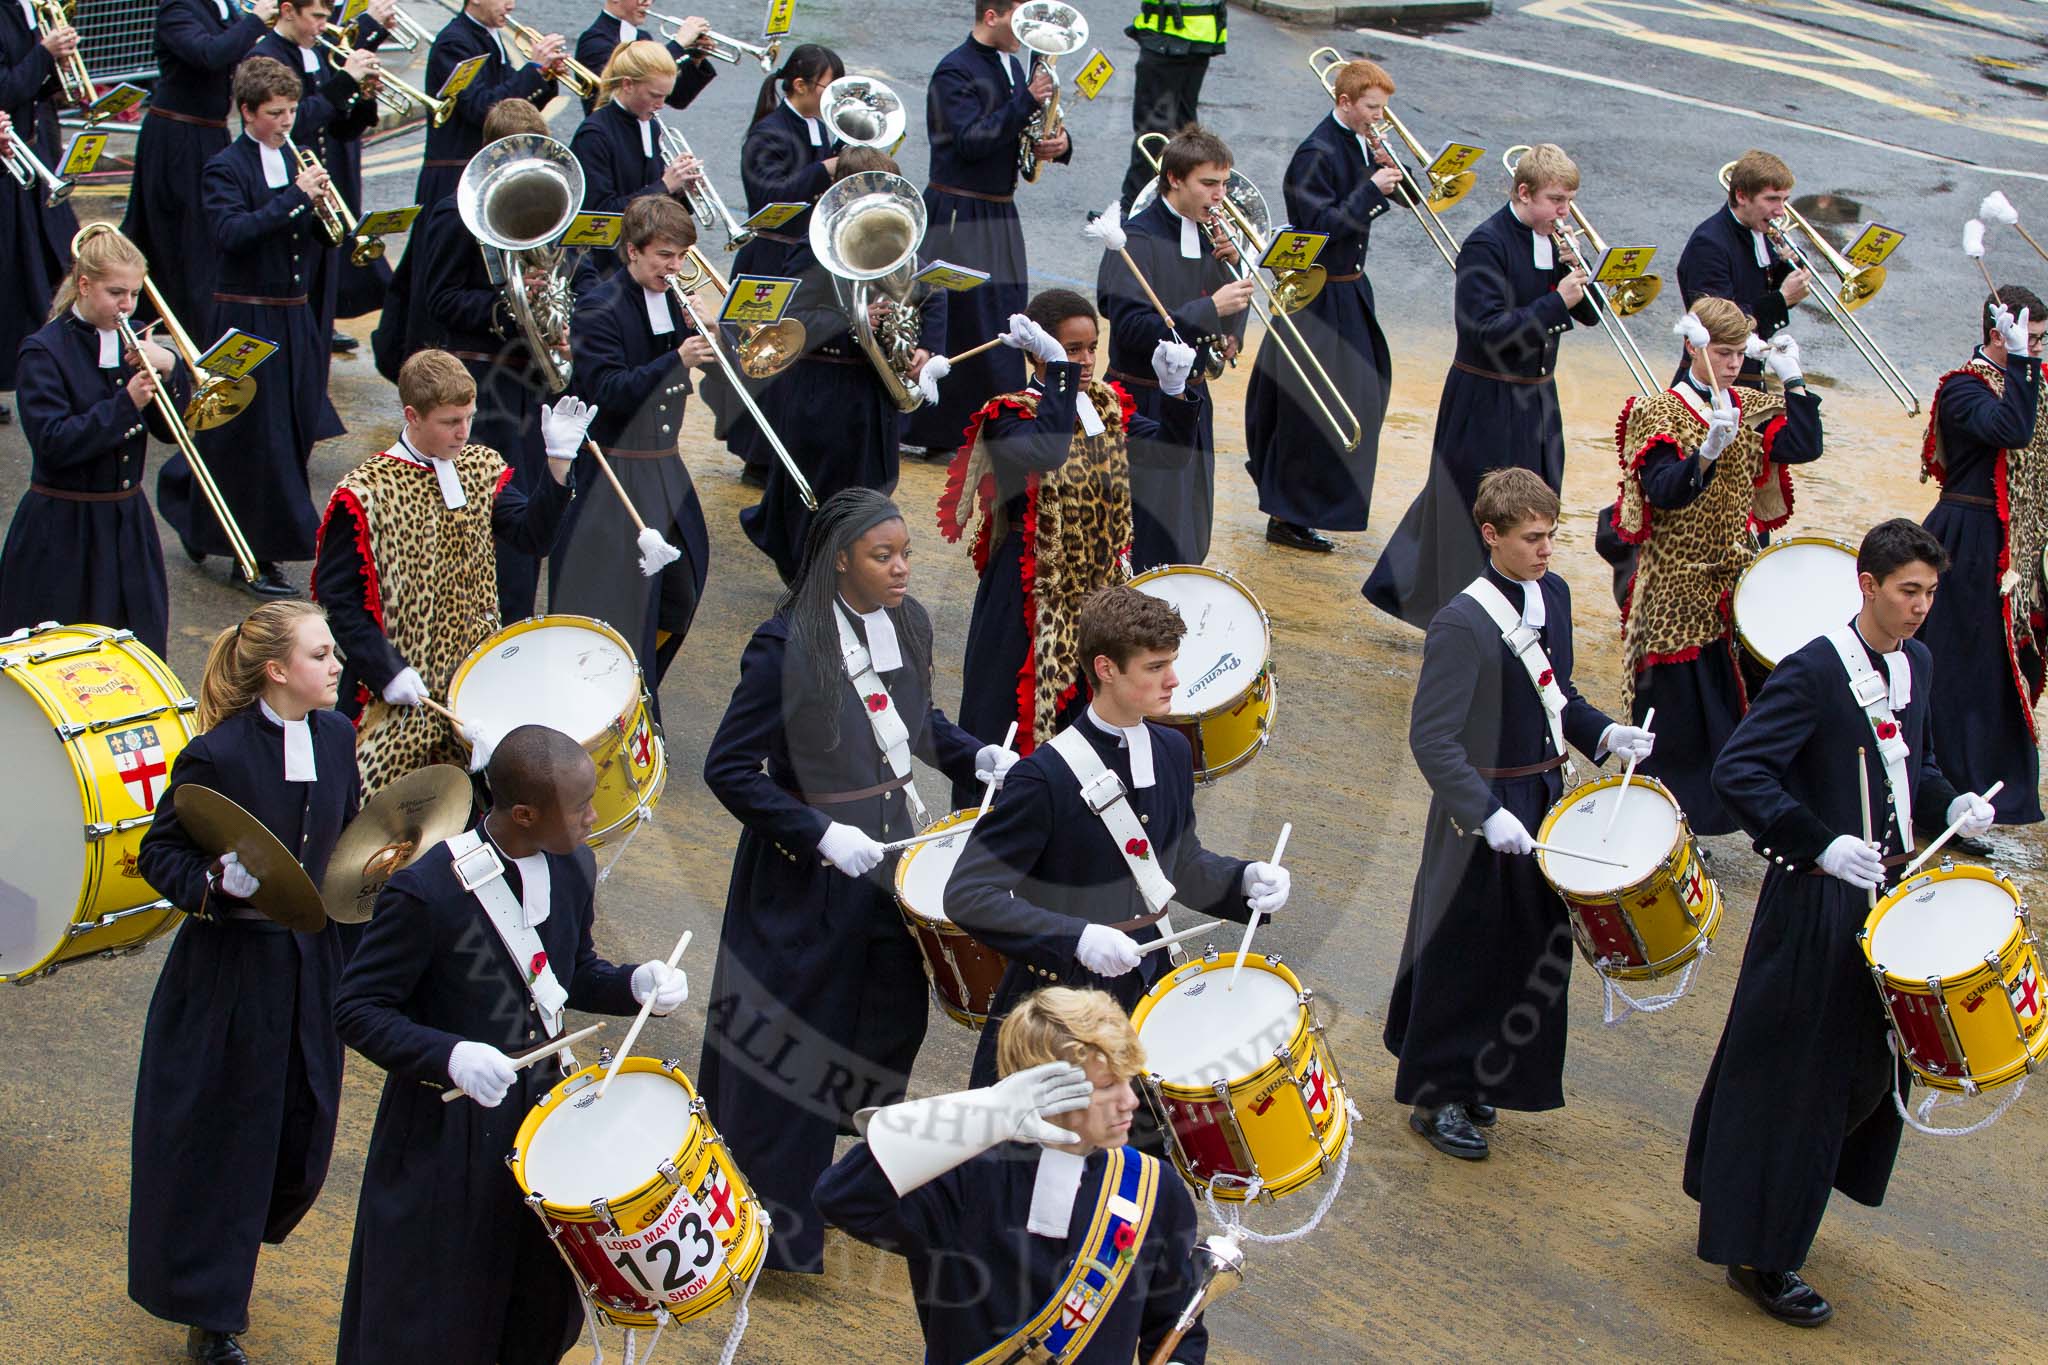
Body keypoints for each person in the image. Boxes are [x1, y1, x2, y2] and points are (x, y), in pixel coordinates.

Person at [1684, 519, 1994, 1327]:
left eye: (1930, 592)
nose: (1922, 608)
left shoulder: (1917, 662)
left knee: (1862, 1071)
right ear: (1868, 585)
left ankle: (1776, 1200)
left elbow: (1909, 762)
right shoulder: (1815, 671)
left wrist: (1947, 798)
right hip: (1815, 903)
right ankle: (1762, 1253)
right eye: (1908, 592)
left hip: (1884, 900)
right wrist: (1822, 842)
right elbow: (1739, 770)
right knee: (1798, 1081)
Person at [698, 488, 1004, 1275]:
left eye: (905, 552)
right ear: (841, 560)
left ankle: (840, 1189)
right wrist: (820, 832)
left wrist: (973, 755)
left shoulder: (909, 622)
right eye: (883, 556)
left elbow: (913, 719)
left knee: (881, 1026)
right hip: (805, 876)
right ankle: (772, 1235)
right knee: (795, 1048)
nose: (902, 567)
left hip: (892, 858)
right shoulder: (782, 645)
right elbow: (728, 767)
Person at [334, 723, 690, 1364]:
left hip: (545, 1121)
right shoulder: (426, 893)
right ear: (524, 813)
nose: (592, 815)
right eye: (580, 806)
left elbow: (569, 971)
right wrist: (450, 1054)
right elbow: (358, 1009)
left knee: (533, 1306)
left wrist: (634, 983)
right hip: (447, 1134)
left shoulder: (574, 864)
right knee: (434, 1314)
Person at [1385, 468, 1652, 1160]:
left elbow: (1555, 691)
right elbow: (1432, 738)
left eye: (1551, 535)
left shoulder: (1553, 594)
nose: (1546, 549)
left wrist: (1601, 735)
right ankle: (1435, 1092)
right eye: (1532, 537)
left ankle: (1481, 1073)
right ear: (1491, 535)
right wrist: (1484, 812)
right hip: (1478, 812)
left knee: (1524, 946)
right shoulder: (1460, 622)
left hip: (1539, 802)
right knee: (1462, 951)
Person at [126, 601, 360, 1365]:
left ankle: (232, 1251)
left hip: (312, 965)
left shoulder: (337, 734)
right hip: (232, 973)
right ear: (277, 670)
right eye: (322, 656)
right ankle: (214, 1313)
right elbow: (161, 852)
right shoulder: (218, 756)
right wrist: (211, 885)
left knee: (302, 1133)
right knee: (232, 1140)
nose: (337, 666)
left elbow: (346, 839)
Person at [946, 584, 1285, 1086]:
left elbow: (1177, 862)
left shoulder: (1172, 752)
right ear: (1106, 669)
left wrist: (1242, 880)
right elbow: (969, 895)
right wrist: (1075, 938)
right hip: (1058, 1007)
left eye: (1172, 662)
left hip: (1148, 991)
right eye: (1154, 667)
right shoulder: (1044, 779)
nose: (1173, 680)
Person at [815, 987, 1215, 1363]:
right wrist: (986, 1111)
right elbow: (843, 1197)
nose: (1130, 1101)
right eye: (1108, 1085)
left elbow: (1175, 1322)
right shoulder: (961, 1172)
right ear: (1044, 1089)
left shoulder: (1154, 1186)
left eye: (1130, 1080)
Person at [937, 289, 1199, 801]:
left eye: (1090, 349)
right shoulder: (1007, 413)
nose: (1084, 361)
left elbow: (1170, 457)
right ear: (1038, 351)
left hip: (1097, 592)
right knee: (1007, 718)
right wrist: (1056, 372)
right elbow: (1048, 451)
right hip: (1027, 595)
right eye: (1071, 349)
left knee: (1091, 715)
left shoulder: (1105, 404)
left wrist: (1175, 391)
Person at [311, 348, 589, 795]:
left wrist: (557, 465)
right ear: (412, 416)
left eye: (469, 418)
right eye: (449, 422)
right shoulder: (363, 493)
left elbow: (531, 538)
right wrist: (387, 671)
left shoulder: (480, 466)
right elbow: (338, 602)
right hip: (400, 697)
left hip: (474, 689)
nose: (463, 433)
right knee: (375, 828)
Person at [1363, 142, 1600, 629]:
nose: (1564, 212)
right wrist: (1557, 302)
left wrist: (1588, 287)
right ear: (1524, 192)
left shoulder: (1552, 240)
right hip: (1485, 396)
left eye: (1569, 201)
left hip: (1536, 394)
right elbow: (1482, 329)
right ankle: (1458, 616)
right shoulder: (1486, 243)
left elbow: (1585, 316)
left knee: (1537, 499)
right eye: (1556, 200)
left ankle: (1514, 605)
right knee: (1471, 508)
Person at [1610, 299, 1823, 833]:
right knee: (1674, 720)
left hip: (1731, 580)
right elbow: (1661, 492)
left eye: (1736, 354)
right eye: (1722, 354)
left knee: (1732, 702)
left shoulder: (1748, 404)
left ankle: (1723, 811)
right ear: (1693, 347)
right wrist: (1703, 454)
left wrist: (1793, 382)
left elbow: (1804, 444)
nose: (1732, 364)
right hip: (1673, 586)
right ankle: (1651, 822)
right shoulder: (1658, 411)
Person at [159, 56, 345, 599]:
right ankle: (254, 555)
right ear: (247, 112)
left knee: (289, 428)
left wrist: (323, 214)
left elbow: (304, 237)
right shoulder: (225, 167)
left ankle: (195, 509)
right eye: (275, 113)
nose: (287, 122)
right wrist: (295, 199)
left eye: (290, 111)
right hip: (244, 314)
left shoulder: (295, 159)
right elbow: (232, 233)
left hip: (293, 313)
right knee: (250, 438)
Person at [740, 147, 944, 582]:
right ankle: (806, 579)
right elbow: (788, 318)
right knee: (812, 494)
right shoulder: (811, 249)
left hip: (872, 392)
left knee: (871, 489)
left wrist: (926, 348)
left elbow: (932, 290)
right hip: (821, 386)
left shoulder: (896, 242)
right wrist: (849, 320)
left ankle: (847, 578)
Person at [551, 194, 713, 711]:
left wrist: (714, 340)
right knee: (619, 601)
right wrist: (676, 360)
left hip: (663, 464)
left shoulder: (674, 299)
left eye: (682, 255)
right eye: (665, 255)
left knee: (681, 592)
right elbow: (606, 390)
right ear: (633, 251)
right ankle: (615, 701)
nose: (676, 267)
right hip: (613, 469)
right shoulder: (600, 306)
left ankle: (639, 686)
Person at [0, 228, 187, 656]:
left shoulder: (136, 335)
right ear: (84, 286)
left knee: (135, 650)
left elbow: (169, 431)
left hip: (126, 521)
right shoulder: (44, 351)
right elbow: (53, 442)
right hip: (63, 528)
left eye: (135, 294)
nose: (127, 306)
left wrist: (171, 369)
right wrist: (127, 403)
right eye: (115, 292)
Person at [407, 97, 558, 621]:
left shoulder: (541, 206)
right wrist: (507, 307)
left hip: (528, 379)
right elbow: (440, 298)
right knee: (483, 500)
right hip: (481, 379)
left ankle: (513, 615)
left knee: (525, 501)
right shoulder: (456, 213)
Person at [900, 0, 1070, 461]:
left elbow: (1019, 134)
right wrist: (1025, 101)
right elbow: (970, 142)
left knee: (1003, 313)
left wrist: (1057, 141)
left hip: (998, 210)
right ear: (990, 16)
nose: (1028, 33)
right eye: (1018, 21)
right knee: (958, 318)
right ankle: (940, 429)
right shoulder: (953, 71)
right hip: (958, 208)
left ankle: (994, 424)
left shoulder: (1014, 67)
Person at [1244, 57, 1400, 553]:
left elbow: (1406, 197)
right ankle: (1288, 513)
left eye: (1383, 108)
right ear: (1345, 102)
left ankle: (1319, 504)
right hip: (1317, 291)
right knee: (1307, 404)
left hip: (1350, 288)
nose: (1380, 116)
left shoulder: (1361, 141)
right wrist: (1370, 190)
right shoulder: (1316, 152)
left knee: (1363, 394)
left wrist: (1391, 171)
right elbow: (1320, 226)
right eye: (1372, 108)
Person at [1092, 123, 1252, 569]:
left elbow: (1225, 308)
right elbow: (1129, 327)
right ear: (1175, 180)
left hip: (1192, 399)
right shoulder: (1137, 239)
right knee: (1146, 528)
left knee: (1191, 523)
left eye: (1224, 184)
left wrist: (1231, 317)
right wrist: (1209, 310)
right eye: (1208, 183)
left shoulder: (1206, 233)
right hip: (1143, 402)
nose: (1220, 195)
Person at [1917, 287, 2046, 825]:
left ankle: (1987, 795)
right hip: (1968, 541)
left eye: (2040, 341)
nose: (2038, 350)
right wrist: (2021, 362)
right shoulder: (1964, 388)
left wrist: (2025, 366)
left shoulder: (2027, 377)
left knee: (1996, 671)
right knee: (1959, 672)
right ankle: (1943, 796)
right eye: (2032, 339)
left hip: (2013, 546)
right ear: (2000, 334)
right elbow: (2011, 430)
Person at [717, 43, 843, 482]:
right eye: (829, 87)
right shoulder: (767, 133)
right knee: (765, 352)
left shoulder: (826, 130)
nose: (834, 99)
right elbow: (767, 197)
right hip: (770, 255)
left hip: (809, 257)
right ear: (800, 85)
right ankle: (759, 454)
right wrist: (823, 170)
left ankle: (793, 448)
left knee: (801, 354)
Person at [121, 0, 276, 335]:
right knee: (190, 243)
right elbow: (210, 54)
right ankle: (198, 339)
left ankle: (206, 330)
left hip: (211, 131)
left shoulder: (223, 7)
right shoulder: (178, 8)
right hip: (177, 136)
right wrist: (253, 22)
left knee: (209, 237)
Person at [251, 0, 381, 361]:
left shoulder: (317, 51)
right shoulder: (268, 56)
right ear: (289, 11)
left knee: (326, 279)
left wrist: (364, 97)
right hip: (288, 182)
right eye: (318, 17)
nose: (325, 26)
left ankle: (317, 348)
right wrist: (343, 82)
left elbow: (339, 128)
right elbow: (297, 120)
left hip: (321, 185)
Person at [0, 0, 83, 410]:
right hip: (9, 159)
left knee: (54, 266)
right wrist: (45, 52)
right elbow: (6, 88)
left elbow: (35, 88)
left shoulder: (33, 10)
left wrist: (58, 65)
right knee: (12, 274)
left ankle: (50, 368)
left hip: (36, 150)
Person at [567, 39, 704, 284]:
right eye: (654, 95)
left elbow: (654, 198)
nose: (661, 105)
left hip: (644, 262)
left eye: (665, 96)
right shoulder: (594, 134)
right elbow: (599, 215)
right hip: (606, 271)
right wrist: (664, 185)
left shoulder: (650, 125)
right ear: (627, 84)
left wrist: (683, 191)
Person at [1673, 149, 1811, 389]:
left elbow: (1758, 290)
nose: (1780, 211)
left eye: (1785, 200)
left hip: (1748, 376)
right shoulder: (1709, 243)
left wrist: (1788, 270)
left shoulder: (1759, 232)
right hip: (1712, 380)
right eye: (1771, 199)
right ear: (1741, 196)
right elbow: (1717, 323)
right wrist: (1782, 299)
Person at [413, 0, 562, 211]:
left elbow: (516, 107)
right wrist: (532, 72)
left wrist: (543, 76)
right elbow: (481, 108)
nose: (511, 6)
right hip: (455, 176)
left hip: (483, 169)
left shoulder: (488, 34)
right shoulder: (454, 43)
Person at [1117, 0, 1225, 212]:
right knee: (1184, 129)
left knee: (1152, 132)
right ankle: (1179, 206)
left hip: (1167, 34)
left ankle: (1133, 210)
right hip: (1202, 32)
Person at [572, 0, 714, 116]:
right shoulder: (594, 40)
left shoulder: (642, 37)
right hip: (608, 133)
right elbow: (617, 88)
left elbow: (678, 99)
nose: (647, 2)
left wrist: (695, 58)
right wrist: (679, 43)